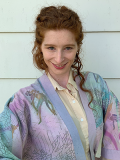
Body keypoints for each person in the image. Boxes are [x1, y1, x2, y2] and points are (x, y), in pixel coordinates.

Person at [0, 5, 120, 160]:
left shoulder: (95, 85)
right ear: (40, 47)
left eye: (68, 48)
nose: (59, 58)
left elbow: (115, 133)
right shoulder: (23, 102)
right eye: (51, 48)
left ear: (78, 47)